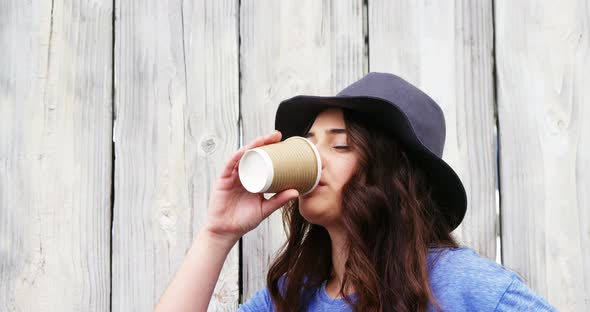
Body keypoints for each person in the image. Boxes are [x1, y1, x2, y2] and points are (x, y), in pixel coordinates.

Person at [155, 73, 556, 312]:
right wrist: (217, 233)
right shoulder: (296, 297)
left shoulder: (458, 283)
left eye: (340, 144)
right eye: (309, 143)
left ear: (392, 177)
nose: (314, 157)